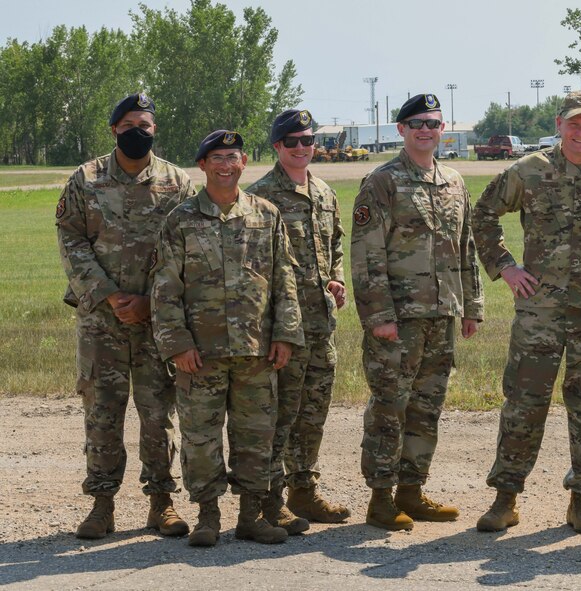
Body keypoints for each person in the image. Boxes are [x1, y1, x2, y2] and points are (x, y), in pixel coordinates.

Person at [471, 90, 581, 534]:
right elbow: (483, 214)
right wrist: (505, 268)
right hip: (540, 311)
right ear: (559, 125)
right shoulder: (531, 171)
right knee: (523, 404)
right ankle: (505, 498)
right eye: (574, 124)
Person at [151, 130, 304, 547]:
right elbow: (165, 288)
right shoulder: (180, 220)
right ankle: (208, 516)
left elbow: (284, 280)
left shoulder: (267, 215)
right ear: (202, 165)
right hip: (201, 353)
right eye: (216, 157)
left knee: (256, 436)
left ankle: (252, 516)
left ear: (243, 163)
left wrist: (286, 334)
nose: (225, 164)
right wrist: (178, 343)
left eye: (232, 157)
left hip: (256, 350)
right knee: (200, 438)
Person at [56, 92, 194, 540]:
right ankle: (101, 505)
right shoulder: (86, 179)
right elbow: (71, 239)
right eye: (130, 124)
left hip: (158, 321)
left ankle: (161, 502)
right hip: (102, 321)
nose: (139, 131)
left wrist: (151, 302)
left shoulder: (177, 183)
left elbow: (188, 250)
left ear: (155, 130)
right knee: (102, 412)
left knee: (159, 414)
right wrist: (111, 296)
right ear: (114, 129)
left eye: (147, 125)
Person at [351, 93, 484, 531]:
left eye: (433, 123)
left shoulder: (454, 182)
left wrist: (471, 305)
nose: (425, 130)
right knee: (390, 407)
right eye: (416, 124)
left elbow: (465, 246)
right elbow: (367, 254)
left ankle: (412, 490)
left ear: (442, 130)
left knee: (427, 408)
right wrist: (379, 316)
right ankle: (380, 497)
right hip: (399, 318)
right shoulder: (382, 181)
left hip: (443, 314)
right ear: (401, 131)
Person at [247, 109, 350, 529]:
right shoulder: (260, 196)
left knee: (313, 411)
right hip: (283, 329)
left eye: (308, 140)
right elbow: (251, 268)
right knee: (281, 413)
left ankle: (304, 491)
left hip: (321, 325)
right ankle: (270, 500)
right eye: (293, 141)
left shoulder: (325, 193)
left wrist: (337, 278)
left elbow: (336, 245)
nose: (302, 147)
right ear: (277, 147)